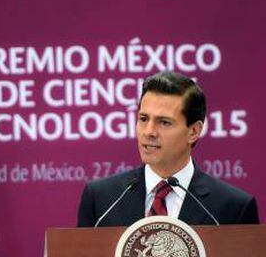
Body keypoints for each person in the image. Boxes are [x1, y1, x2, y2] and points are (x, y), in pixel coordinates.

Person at [77, 71, 259, 227]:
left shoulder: (234, 207)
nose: (149, 132)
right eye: (143, 119)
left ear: (194, 131)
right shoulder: (101, 199)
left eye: (164, 122)